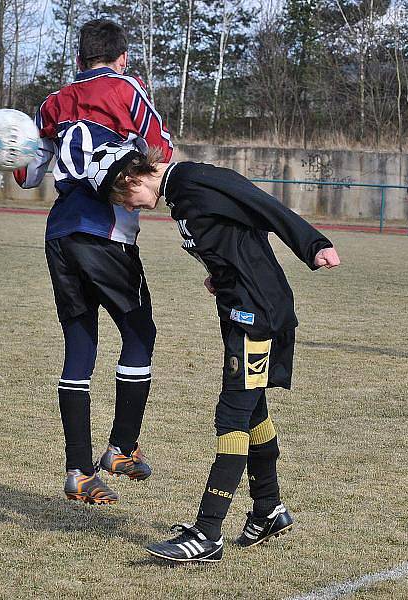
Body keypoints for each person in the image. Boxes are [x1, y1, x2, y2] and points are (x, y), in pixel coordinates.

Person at [86, 144, 340, 561]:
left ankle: (207, 534)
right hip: (239, 305)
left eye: (122, 199)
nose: (129, 207)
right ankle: (268, 510)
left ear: (132, 179)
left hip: (254, 313)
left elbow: (260, 204)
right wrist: (220, 275)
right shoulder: (179, 196)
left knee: (233, 414)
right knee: (253, 409)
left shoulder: (193, 179)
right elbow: (235, 237)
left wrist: (313, 245)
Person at [13, 19, 173, 504]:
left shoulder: (51, 104)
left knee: (80, 342)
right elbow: (161, 151)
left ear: (78, 59)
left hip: (59, 232)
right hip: (106, 235)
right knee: (139, 333)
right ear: (122, 58)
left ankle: (78, 471)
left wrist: (5, 151)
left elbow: (26, 175)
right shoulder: (127, 88)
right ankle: (121, 448)